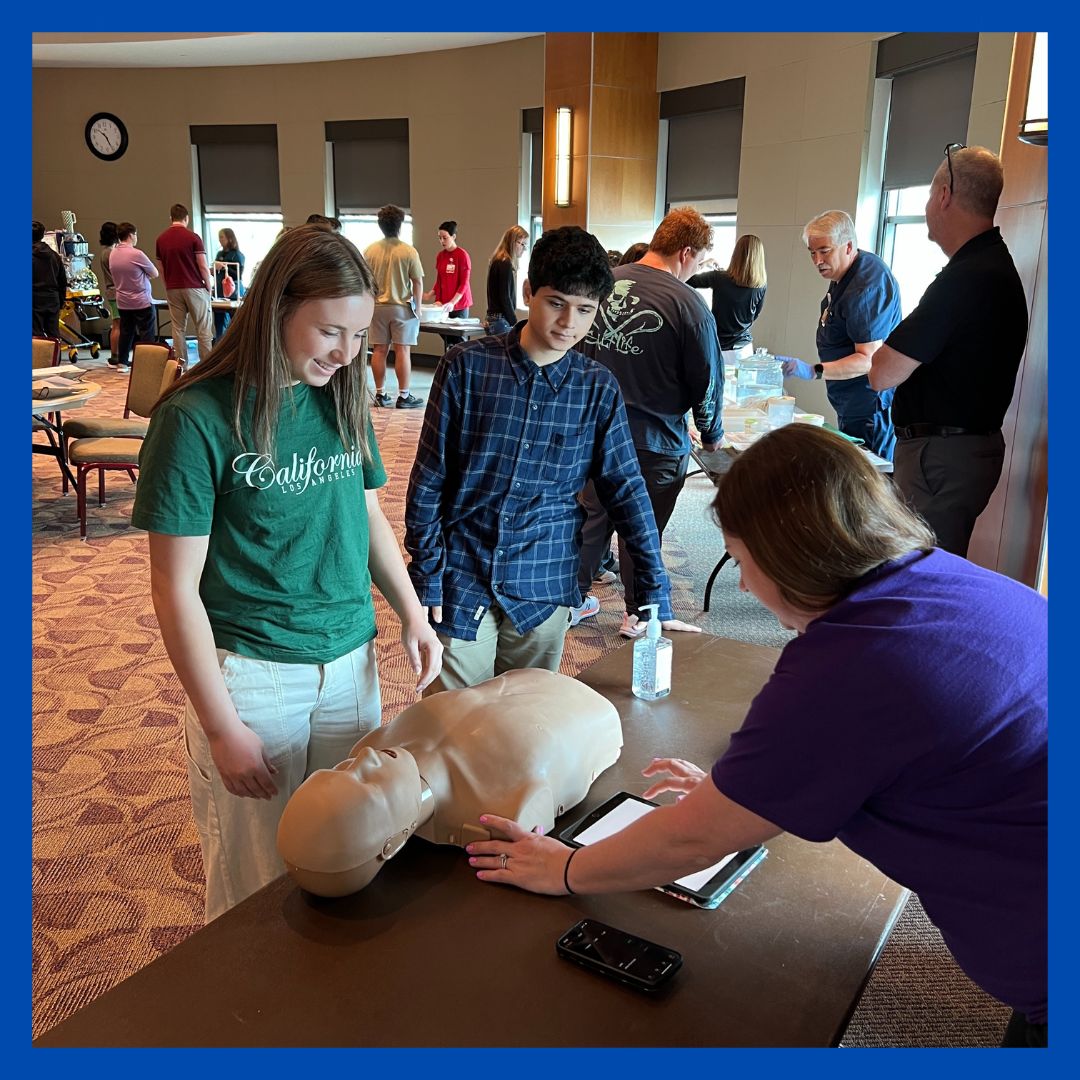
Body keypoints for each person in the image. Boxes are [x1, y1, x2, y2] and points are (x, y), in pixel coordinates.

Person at [467, 422, 1047, 1049]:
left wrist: (569, 870)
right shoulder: (940, 573)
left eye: (743, 562)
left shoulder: (848, 666)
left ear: (792, 556)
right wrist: (742, 795)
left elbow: (693, 838)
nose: (743, 584)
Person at [130, 224, 443, 922]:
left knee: (349, 848)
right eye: (331, 331)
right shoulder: (195, 418)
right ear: (275, 311)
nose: (348, 352)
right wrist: (220, 725)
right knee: (255, 880)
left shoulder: (340, 396)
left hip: (348, 658)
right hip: (255, 672)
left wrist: (412, 613)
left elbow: (364, 516)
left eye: (360, 335)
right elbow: (174, 589)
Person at [405, 225, 679, 693]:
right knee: (450, 724)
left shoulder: (597, 387)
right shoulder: (467, 367)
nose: (568, 323)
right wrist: (427, 574)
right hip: (462, 573)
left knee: (527, 723)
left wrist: (652, 586)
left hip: (545, 577)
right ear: (529, 291)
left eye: (585, 310)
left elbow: (626, 488)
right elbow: (429, 480)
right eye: (556, 302)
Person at [276, 668, 622, 896]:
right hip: (587, 713)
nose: (364, 760)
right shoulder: (502, 807)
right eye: (369, 783)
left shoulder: (374, 745)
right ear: (392, 845)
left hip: (538, 682)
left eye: (341, 768)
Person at [869, 145, 1029, 558]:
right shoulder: (990, 265)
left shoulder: (967, 279)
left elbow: (882, 372)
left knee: (918, 572)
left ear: (943, 195)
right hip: (957, 451)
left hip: (939, 457)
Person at [576, 206, 723, 639]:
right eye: (697, 261)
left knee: (591, 516)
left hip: (591, 435)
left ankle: (567, 599)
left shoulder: (600, 285)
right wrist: (711, 433)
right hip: (653, 441)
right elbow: (707, 378)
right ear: (686, 251)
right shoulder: (688, 303)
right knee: (642, 528)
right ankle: (639, 614)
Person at [780, 210, 901, 460]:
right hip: (850, 401)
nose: (817, 260)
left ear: (848, 246)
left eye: (825, 251)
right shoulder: (844, 274)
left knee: (868, 481)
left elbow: (867, 359)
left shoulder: (865, 287)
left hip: (869, 407)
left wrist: (814, 370)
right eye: (813, 253)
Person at [363, 204, 425, 409]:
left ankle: (380, 395)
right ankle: (404, 396)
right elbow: (417, 282)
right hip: (401, 307)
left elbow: (364, 280)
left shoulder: (370, 250)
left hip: (377, 307)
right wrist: (418, 307)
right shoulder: (408, 251)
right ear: (399, 225)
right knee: (402, 350)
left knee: (379, 350)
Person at [686, 233, 767, 363]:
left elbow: (687, 280)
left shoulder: (719, 278)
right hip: (744, 348)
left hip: (718, 346)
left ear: (736, 254)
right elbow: (755, 315)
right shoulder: (760, 285)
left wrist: (704, 264)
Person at [155, 203, 215, 364]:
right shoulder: (193, 238)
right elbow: (202, 265)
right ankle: (206, 366)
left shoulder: (161, 239)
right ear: (186, 218)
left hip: (173, 288)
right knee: (203, 329)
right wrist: (208, 285)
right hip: (195, 287)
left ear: (171, 218)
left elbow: (160, 267)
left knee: (177, 328)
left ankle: (181, 365)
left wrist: (167, 284)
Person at [108, 222, 158, 369]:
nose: (136, 237)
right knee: (146, 333)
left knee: (126, 332)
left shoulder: (113, 253)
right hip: (141, 300)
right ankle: (147, 363)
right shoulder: (137, 254)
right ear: (131, 235)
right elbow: (154, 273)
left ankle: (122, 362)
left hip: (123, 301)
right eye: (135, 234)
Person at [423, 220, 472, 350]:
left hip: (459, 305)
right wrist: (431, 295)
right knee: (445, 337)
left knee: (458, 340)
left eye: (445, 238)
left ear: (453, 237)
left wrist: (453, 302)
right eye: (440, 238)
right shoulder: (440, 256)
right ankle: (449, 363)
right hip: (443, 304)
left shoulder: (462, 255)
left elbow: (464, 283)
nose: (442, 241)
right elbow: (439, 280)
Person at [485, 224, 528, 335]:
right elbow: (505, 296)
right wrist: (513, 320)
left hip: (493, 317)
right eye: (522, 244)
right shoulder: (505, 263)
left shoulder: (498, 260)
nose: (524, 248)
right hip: (500, 319)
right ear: (513, 242)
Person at [32, 220, 66, 340]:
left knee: (36, 335)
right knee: (54, 334)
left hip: (34, 299)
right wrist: (61, 300)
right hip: (53, 298)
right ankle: (55, 358)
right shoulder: (54, 255)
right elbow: (62, 280)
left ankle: (39, 359)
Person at [211, 227, 245, 342]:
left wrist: (225, 268)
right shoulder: (219, 254)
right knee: (219, 323)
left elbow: (238, 275)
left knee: (235, 322)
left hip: (233, 293)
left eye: (222, 237)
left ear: (229, 238)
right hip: (220, 293)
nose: (220, 240)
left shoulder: (237, 255)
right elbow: (216, 272)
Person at [97, 221, 121, 357]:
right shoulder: (112, 253)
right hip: (116, 290)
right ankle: (116, 355)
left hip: (110, 290)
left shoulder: (104, 252)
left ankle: (115, 354)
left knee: (116, 323)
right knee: (118, 324)